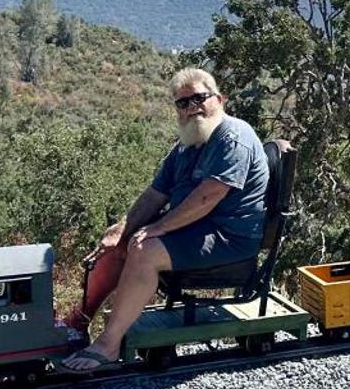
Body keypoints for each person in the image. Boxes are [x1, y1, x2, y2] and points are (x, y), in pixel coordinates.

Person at [58, 67, 269, 372]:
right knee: (123, 241)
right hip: (194, 229)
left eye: (200, 97)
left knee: (144, 251)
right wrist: (122, 229)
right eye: (183, 103)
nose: (192, 106)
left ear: (220, 99)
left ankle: (109, 344)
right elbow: (154, 195)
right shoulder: (185, 146)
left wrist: (155, 229)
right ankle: (79, 321)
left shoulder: (233, 137)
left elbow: (208, 197)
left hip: (228, 237)